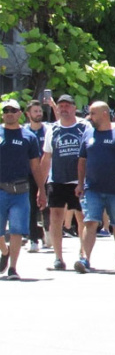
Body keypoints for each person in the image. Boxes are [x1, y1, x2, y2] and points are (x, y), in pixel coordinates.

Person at [75, 101, 115, 273]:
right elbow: (82, 161)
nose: (89, 117)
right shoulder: (88, 134)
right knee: (90, 221)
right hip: (92, 187)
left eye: (93, 113)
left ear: (104, 114)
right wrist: (80, 183)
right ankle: (85, 258)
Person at [39, 94, 89, 270]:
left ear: (74, 108)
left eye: (67, 106)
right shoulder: (52, 129)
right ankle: (58, 257)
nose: (64, 109)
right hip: (57, 179)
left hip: (80, 180)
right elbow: (46, 158)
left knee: (82, 217)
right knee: (56, 218)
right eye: (61, 106)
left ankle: (84, 255)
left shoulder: (84, 126)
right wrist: (41, 186)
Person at [0, 99, 47, 280]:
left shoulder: (29, 137)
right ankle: (5, 251)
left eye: (13, 110)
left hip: (20, 190)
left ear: (20, 113)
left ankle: (13, 267)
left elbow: (36, 167)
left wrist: (42, 190)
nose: (9, 113)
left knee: (17, 230)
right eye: (6, 110)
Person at [23, 100, 48, 253]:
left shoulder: (48, 130)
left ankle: (49, 235)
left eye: (40, 111)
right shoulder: (24, 132)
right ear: (28, 114)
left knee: (47, 207)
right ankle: (33, 239)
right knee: (31, 206)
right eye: (35, 111)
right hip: (29, 174)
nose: (38, 114)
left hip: (46, 174)